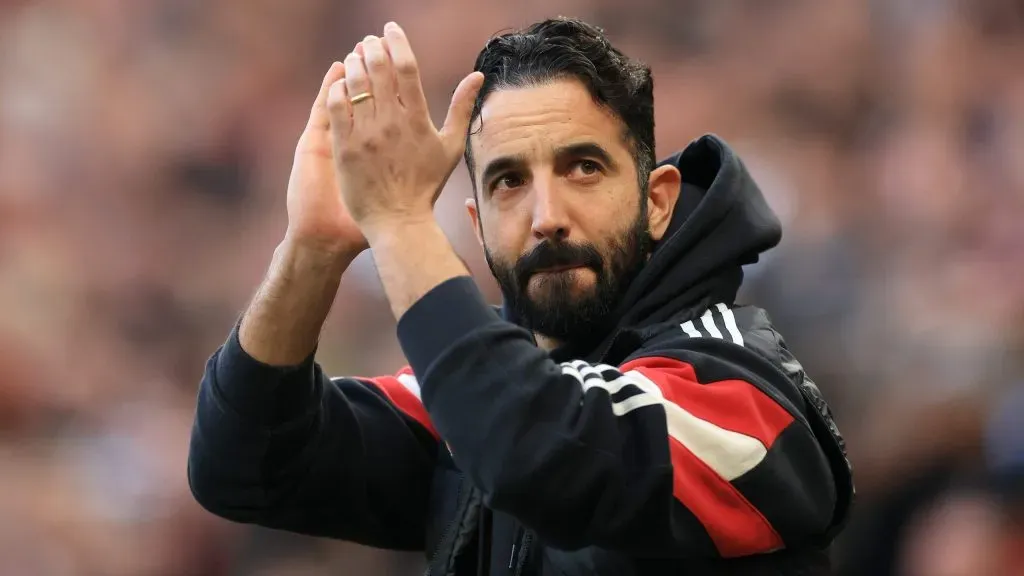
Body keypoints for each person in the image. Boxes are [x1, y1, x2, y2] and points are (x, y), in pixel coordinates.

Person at [187, 17, 854, 576]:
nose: (547, 215)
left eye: (583, 168)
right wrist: (313, 251)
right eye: (508, 181)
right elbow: (241, 460)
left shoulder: (745, 396)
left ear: (657, 202)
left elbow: (540, 447)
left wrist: (400, 223)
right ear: (477, 227)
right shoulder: (480, 395)